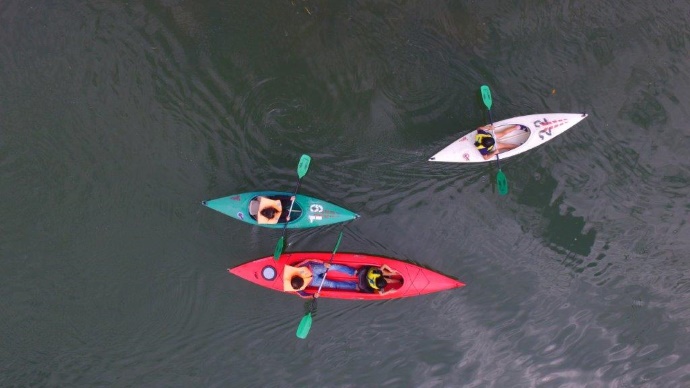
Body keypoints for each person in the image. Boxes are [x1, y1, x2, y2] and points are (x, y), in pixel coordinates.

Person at [283, 259, 358, 297]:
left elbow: (309, 261)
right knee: (332, 285)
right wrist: (312, 296)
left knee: (333, 267)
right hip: (313, 282)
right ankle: (355, 286)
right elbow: (303, 295)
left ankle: (353, 272)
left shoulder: (297, 268)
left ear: (297, 275)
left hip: (313, 269)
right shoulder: (297, 289)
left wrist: (323, 263)